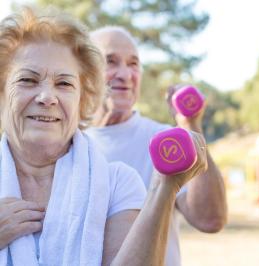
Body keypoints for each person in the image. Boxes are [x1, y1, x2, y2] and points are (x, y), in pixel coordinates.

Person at [0, 8, 207, 266]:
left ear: (83, 100)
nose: (47, 97)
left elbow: (210, 219)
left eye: (64, 84)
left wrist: (164, 188)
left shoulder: (118, 184)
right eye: (28, 80)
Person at [86, 26, 228, 266]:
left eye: (133, 64)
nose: (126, 74)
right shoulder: (67, 146)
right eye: (111, 62)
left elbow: (210, 219)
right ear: (85, 72)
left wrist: (190, 124)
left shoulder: (167, 141)